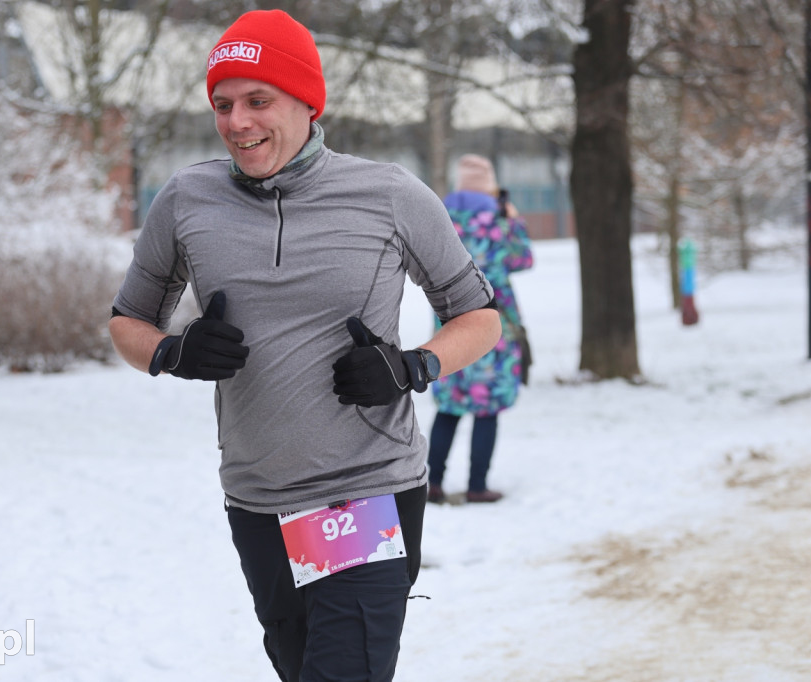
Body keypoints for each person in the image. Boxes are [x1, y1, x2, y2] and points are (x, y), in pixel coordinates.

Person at [107, 10, 501, 681]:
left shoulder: (388, 196)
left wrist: (413, 366)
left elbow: (480, 315)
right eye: (223, 104)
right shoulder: (186, 200)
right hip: (257, 497)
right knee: (299, 668)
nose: (237, 122)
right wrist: (173, 354)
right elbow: (127, 321)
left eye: (258, 100)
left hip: (363, 490)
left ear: (306, 102)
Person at [426, 154, 533, 505]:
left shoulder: (438, 216)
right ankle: (476, 485)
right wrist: (512, 218)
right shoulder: (500, 218)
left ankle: (433, 483)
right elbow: (522, 260)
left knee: (450, 406)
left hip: (450, 321)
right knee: (486, 406)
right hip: (492, 321)